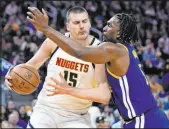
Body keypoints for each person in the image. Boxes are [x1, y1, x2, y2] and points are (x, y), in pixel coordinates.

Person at [26, 7, 169, 128]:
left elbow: (80, 52)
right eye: (106, 24)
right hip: (144, 117)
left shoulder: (113, 50)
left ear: (119, 33)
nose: (104, 28)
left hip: (144, 120)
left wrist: (46, 29)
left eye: (110, 26)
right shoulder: (125, 49)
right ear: (68, 26)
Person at [5, 6, 111, 128]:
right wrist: (12, 75)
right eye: (76, 23)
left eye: (85, 21)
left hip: (76, 115)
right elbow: (30, 66)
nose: (82, 26)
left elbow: (104, 96)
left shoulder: (98, 51)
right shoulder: (53, 42)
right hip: (46, 109)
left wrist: (69, 90)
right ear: (68, 26)